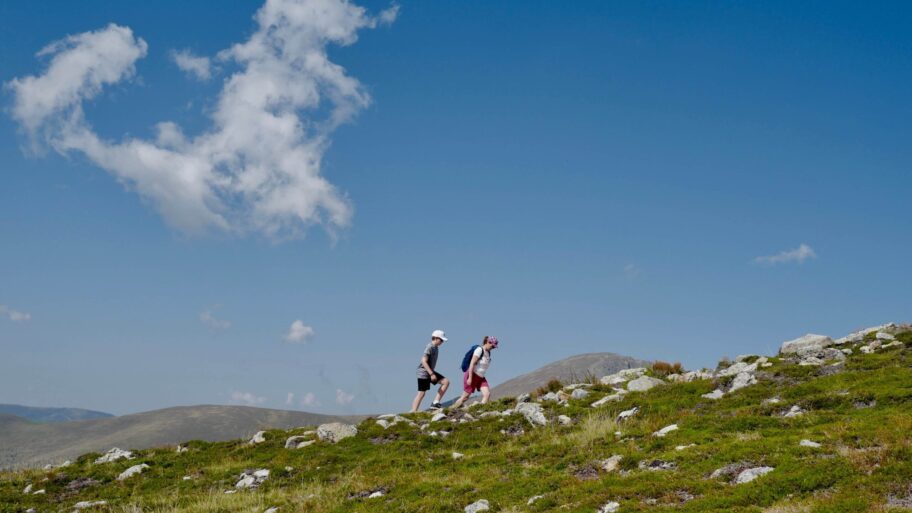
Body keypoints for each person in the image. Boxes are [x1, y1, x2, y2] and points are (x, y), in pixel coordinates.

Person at [452, 336, 498, 408]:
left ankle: (480, 410)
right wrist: (470, 378)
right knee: (465, 397)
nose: (493, 348)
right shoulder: (479, 350)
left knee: (487, 394)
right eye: (492, 346)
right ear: (488, 342)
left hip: (481, 378)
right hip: (472, 375)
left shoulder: (488, 353)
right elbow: (472, 363)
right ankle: (453, 408)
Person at [411, 329, 450, 412]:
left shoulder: (436, 348)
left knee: (446, 382)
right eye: (441, 340)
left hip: (430, 371)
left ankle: (435, 403)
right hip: (423, 372)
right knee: (421, 393)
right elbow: (423, 361)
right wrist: (432, 374)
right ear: (435, 338)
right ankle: (413, 411)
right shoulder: (430, 347)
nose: (442, 342)